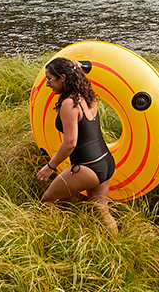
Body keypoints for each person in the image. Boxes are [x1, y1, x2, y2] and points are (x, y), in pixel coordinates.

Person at [35, 57, 118, 232]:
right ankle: (116, 250)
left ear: (62, 77)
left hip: (88, 166)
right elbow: (83, 76)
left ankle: (60, 239)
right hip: (105, 161)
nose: (47, 84)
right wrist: (78, 69)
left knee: (48, 201)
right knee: (101, 211)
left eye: (49, 79)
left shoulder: (68, 103)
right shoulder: (87, 94)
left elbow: (70, 143)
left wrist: (50, 166)